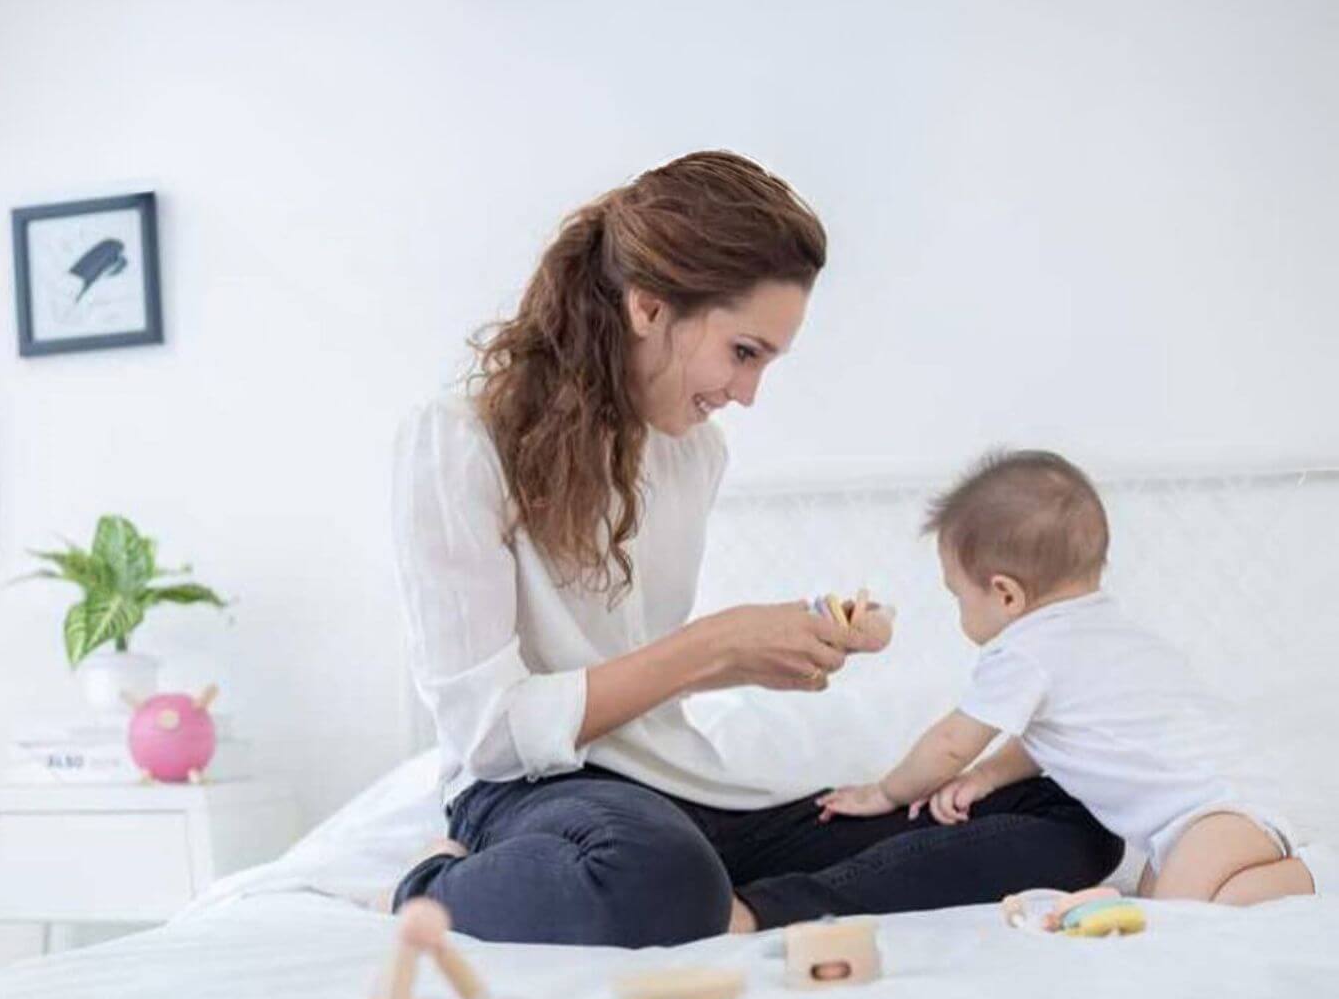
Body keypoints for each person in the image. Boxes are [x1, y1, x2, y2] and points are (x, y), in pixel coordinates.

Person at [391, 152, 1123, 945]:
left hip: (676, 789)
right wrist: (712, 648)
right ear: (648, 308)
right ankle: (430, 886)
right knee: (650, 867)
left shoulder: (691, 453)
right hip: (531, 792)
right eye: (744, 352)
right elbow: (487, 733)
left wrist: (759, 651)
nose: (747, 394)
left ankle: (752, 910)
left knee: (1074, 810)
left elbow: (640, 669)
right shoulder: (459, 441)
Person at [820, 449, 1316, 905]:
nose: (959, 610)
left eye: (958, 595)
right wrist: (987, 776)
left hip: (1216, 816)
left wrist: (884, 793)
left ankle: (1317, 873)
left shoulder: (1024, 651)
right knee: (1152, 899)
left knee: (1181, 916)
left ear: (1006, 594)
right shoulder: (1100, 629)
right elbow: (1056, 737)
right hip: (1213, 813)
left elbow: (950, 743)